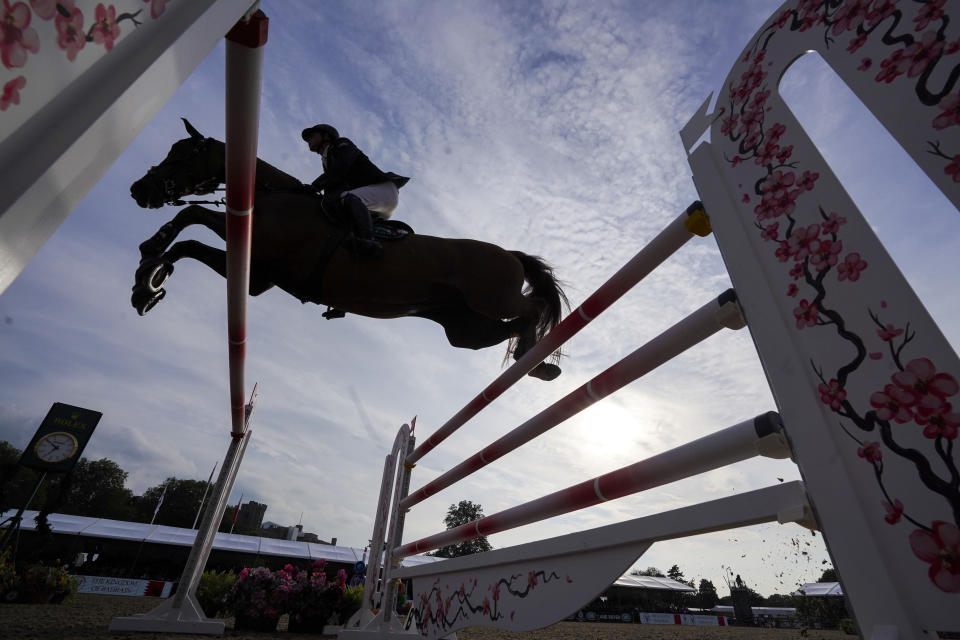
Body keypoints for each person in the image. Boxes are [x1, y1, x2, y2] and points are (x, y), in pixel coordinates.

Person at [301, 124, 409, 258]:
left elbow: (342, 166)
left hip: (384, 191)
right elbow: (333, 188)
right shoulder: (326, 160)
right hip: (368, 205)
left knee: (341, 199)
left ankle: (369, 241)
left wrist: (314, 186)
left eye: (312, 136)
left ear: (326, 136)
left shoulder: (341, 144)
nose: (308, 140)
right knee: (332, 207)